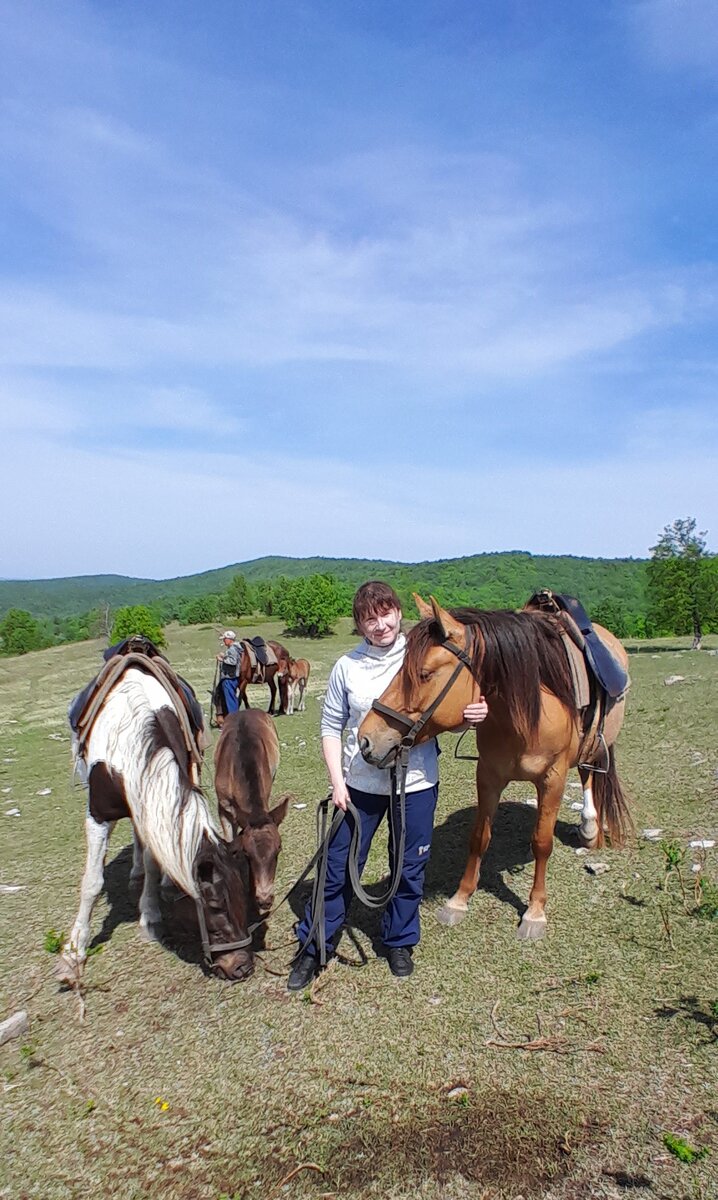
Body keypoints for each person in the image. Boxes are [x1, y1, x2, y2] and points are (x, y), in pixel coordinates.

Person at [287, 581, 488, 991]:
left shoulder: (422, 654)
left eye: (386, 614)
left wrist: (473, 715)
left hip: (415, 783)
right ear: (360, 623)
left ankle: (399, 940)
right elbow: (330, 727)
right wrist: (336, 782)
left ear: (398, 612)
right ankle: (315, 944)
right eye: (369, 618)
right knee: (338, 866)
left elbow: (443, 706)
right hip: (359, 785)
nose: (380, 625)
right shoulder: (348, 666)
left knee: (409, 866)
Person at [216, 630, 243, 720]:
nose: (224, 641)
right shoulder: (234, 648)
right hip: (232, 678)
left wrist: (222, 659)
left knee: (230, 699)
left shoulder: (232, 649)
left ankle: (233, 719)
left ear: (230, 639)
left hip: (229, 678)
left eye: (225, 639)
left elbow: (233, 662)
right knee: (231, 698)